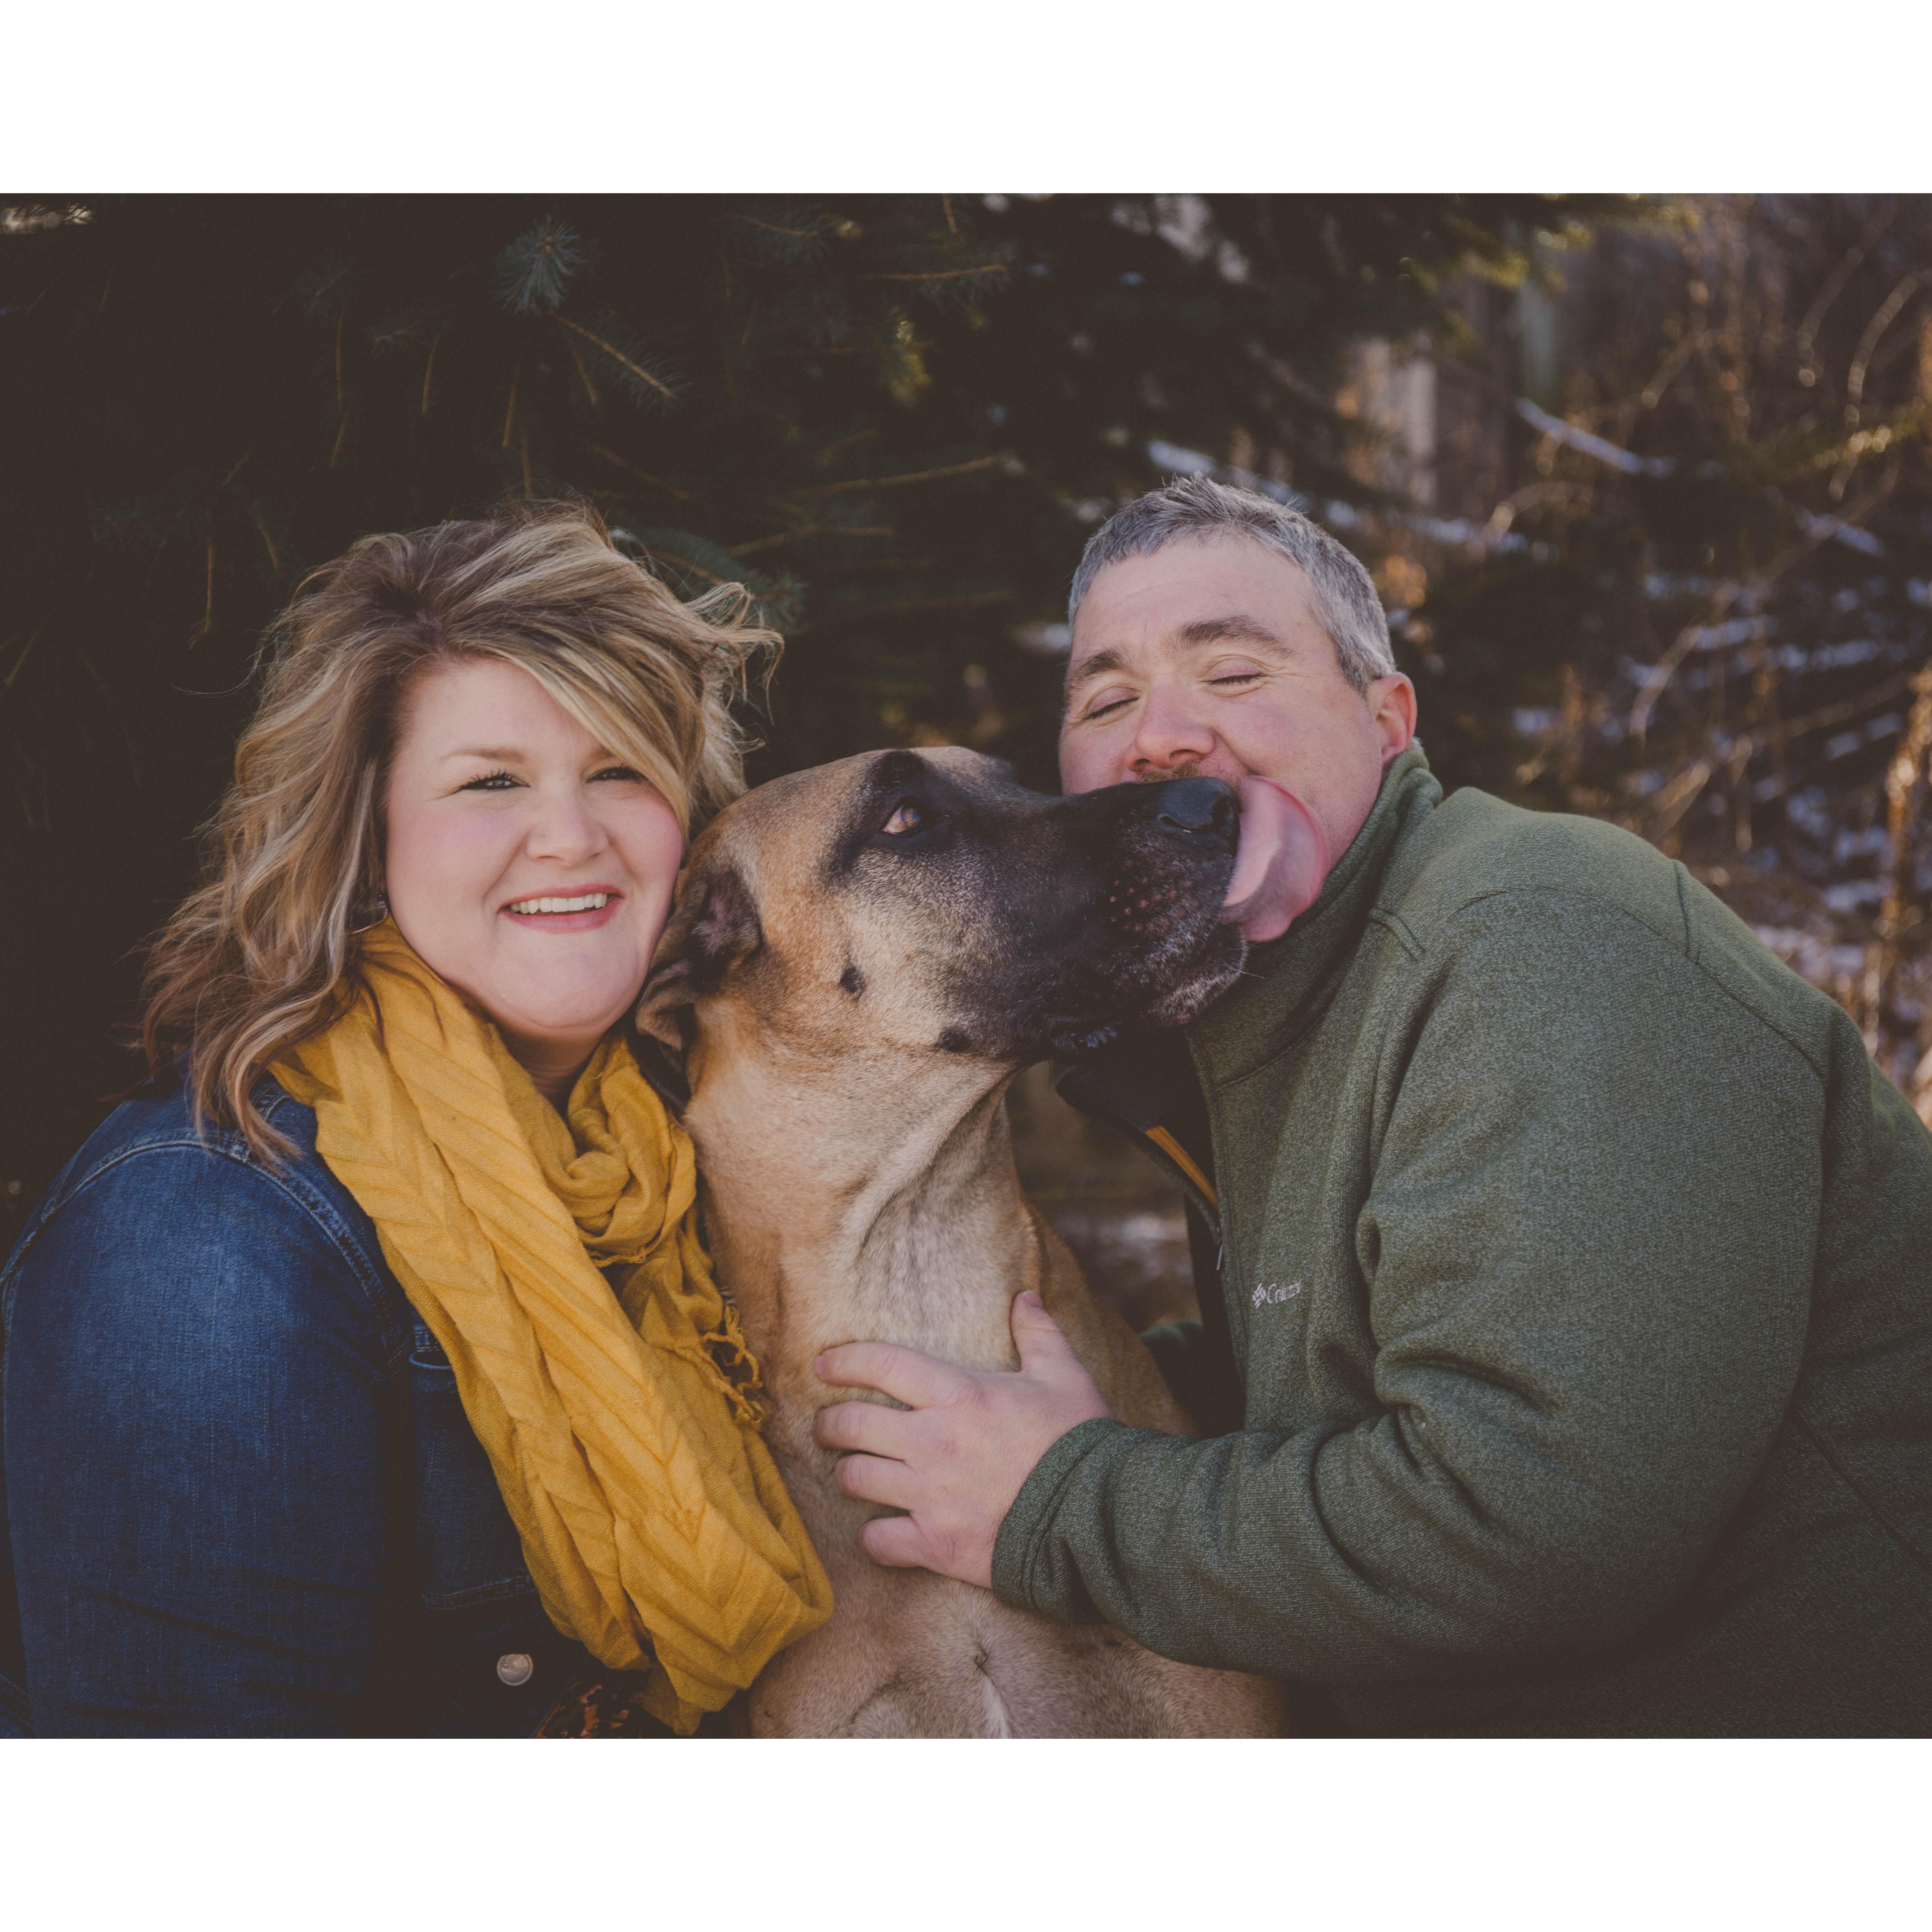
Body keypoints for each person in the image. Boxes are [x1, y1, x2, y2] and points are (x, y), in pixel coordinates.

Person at [813, 474, 1932, 1737]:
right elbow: (1323, 1383)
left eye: (1234, 673)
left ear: (1389, 720)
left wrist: (1058, 1503)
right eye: (1107, 700)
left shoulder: (1542, 933)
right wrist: (991, 1409)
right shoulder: (1265, 1014)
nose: (1160, 737)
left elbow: (1530, 1529)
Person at [0, 502, 830, 1737]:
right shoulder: (202, 1242)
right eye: (491, 782)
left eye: (620, 769)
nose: (571, 837)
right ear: (366, 832)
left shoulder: (682, 1170)